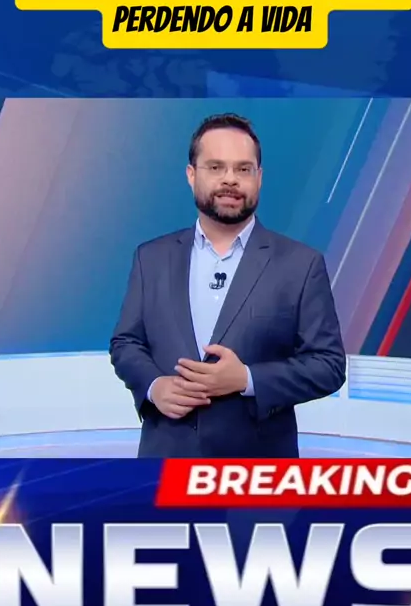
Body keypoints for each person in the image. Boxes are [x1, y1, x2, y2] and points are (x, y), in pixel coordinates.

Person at [109, 112, 346, 458]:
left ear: (259, 178)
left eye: (243, 169)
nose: (230, 179)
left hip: (257, 469)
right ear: (192, 175)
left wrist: (246, 379)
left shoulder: (300, 264)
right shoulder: (151, 258)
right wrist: (154, 386)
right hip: (165, 461)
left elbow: (328, 365)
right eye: (215, 167)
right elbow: (126, 343)